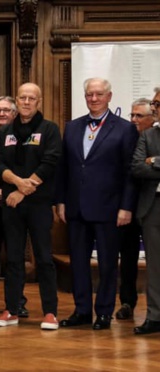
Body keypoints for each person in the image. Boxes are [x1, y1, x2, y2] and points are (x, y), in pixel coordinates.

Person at [56, 77, 138, 330]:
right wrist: (60, 201)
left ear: (109, 97)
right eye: (89, 94)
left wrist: (126, 207)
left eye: (99, 94)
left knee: (107, 263)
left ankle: (104, 312)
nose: (93, 98)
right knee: (78, 263)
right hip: (76, 207)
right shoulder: (72, 127)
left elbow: (130, 173)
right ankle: (82, 310)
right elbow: (64, 169)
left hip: (110, 209)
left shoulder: (125, 129)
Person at [0, 83, 61, 330]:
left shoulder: (49, 129)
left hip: (39, 204)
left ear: (39, 102)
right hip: (12, 205)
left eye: (32, 98)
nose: (27, 102)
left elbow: (50, 161)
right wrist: (18, 184)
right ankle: (11, 309)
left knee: (43, 258)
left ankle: (50, 312)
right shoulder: (5, 132)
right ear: (17, 102)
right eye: (23, 97)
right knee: (13, 259)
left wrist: (23, 190)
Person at [0, 96, 29, 318]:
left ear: (15, 113)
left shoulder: (23, 136)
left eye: (6, 110)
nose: (1, 114)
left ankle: (17, 301)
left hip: (15, 202)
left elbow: (25, 168)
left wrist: (8, 191)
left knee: (15, 255)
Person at [115, 98, 154, 320]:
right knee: (127, 257)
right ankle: (127, 302)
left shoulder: (155, 138)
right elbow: (132, 169)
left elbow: (143, 170)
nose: (133, 120)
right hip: (128, 206)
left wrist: (148, 164)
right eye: (132, 115)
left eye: (139, 116)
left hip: (151, 207)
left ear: (152, 117)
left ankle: (154, 307)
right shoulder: (126, 136)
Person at [131, 88, 160, 335]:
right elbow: (138, 168)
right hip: (154, 206)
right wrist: (149, 162)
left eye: (158, 103)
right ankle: (154, 316)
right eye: (155, 103)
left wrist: (156, 161)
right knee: (155, 265)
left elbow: (149, 164)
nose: (155, 108)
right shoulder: (148, 135)